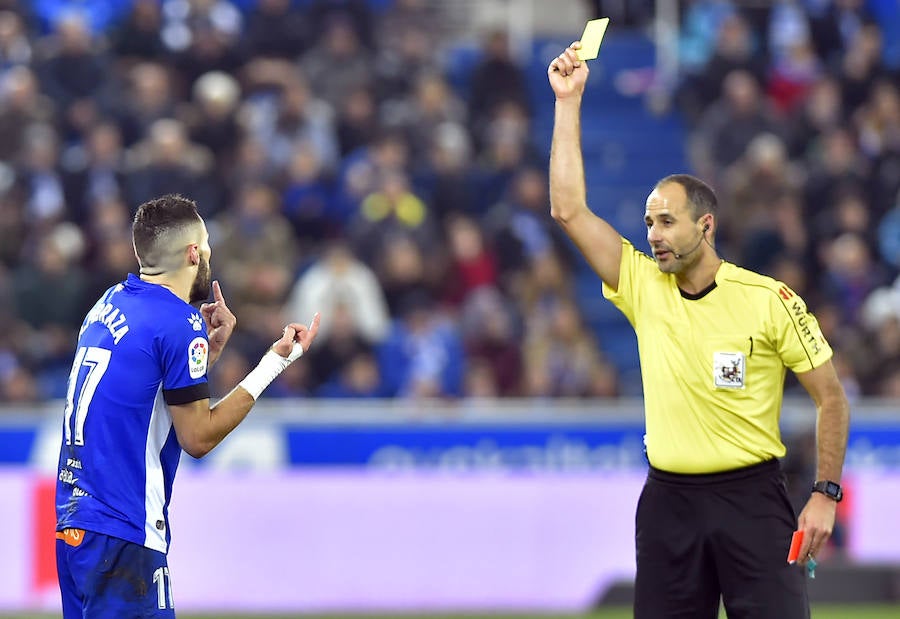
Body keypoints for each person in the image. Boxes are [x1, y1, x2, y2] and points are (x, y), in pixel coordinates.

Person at [547, 42, 850, 619]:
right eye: (647, 223)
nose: (653, 234)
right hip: (668, 505)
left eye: (666, 221)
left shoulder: (768, 300)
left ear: (705, 225)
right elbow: (568, 210)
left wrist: (825, 494)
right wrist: (569, 101)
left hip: (753, 502)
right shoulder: (641, 286)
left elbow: (831, 399)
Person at [54, 194, 321, 618]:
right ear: (194, 252)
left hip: (77, 525)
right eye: (208, 245)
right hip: (126, 532)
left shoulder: (108, 303)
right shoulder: (180, 322)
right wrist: (276, 362)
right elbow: (196, 437)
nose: (210, 254)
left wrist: (206, 359)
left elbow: (142, 394)